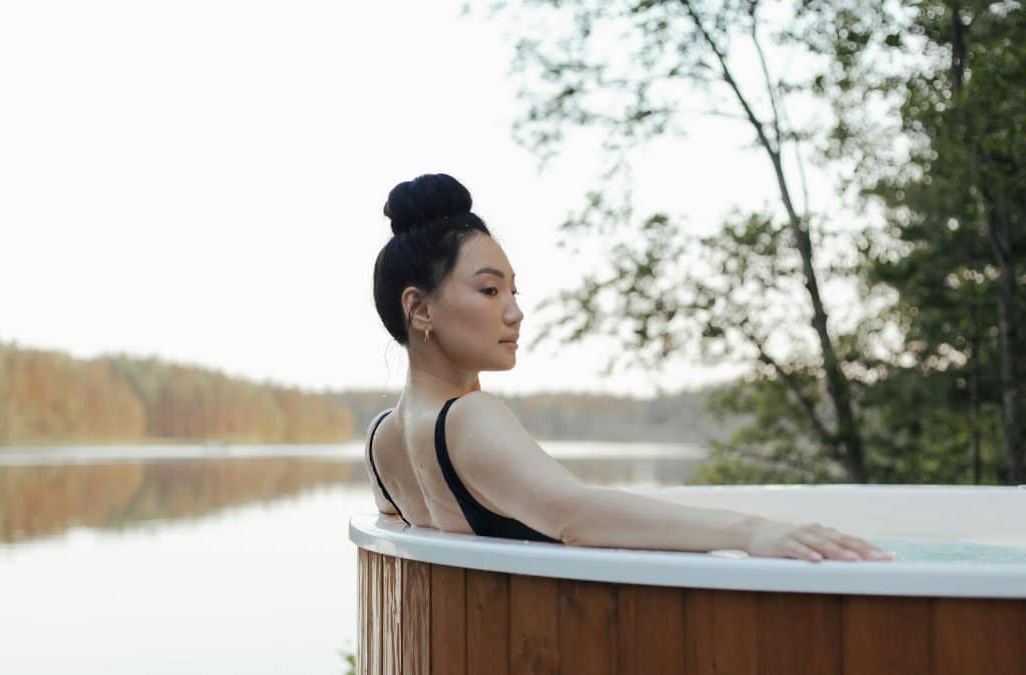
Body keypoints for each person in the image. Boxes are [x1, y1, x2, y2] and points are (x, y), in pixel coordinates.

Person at [365, 173, 894, 564]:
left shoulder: (383, 437)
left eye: (513, 289)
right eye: (488, 289)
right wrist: (751, 532)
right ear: (421, 308)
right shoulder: (467, 418)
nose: (514, 311)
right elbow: (575, 515)